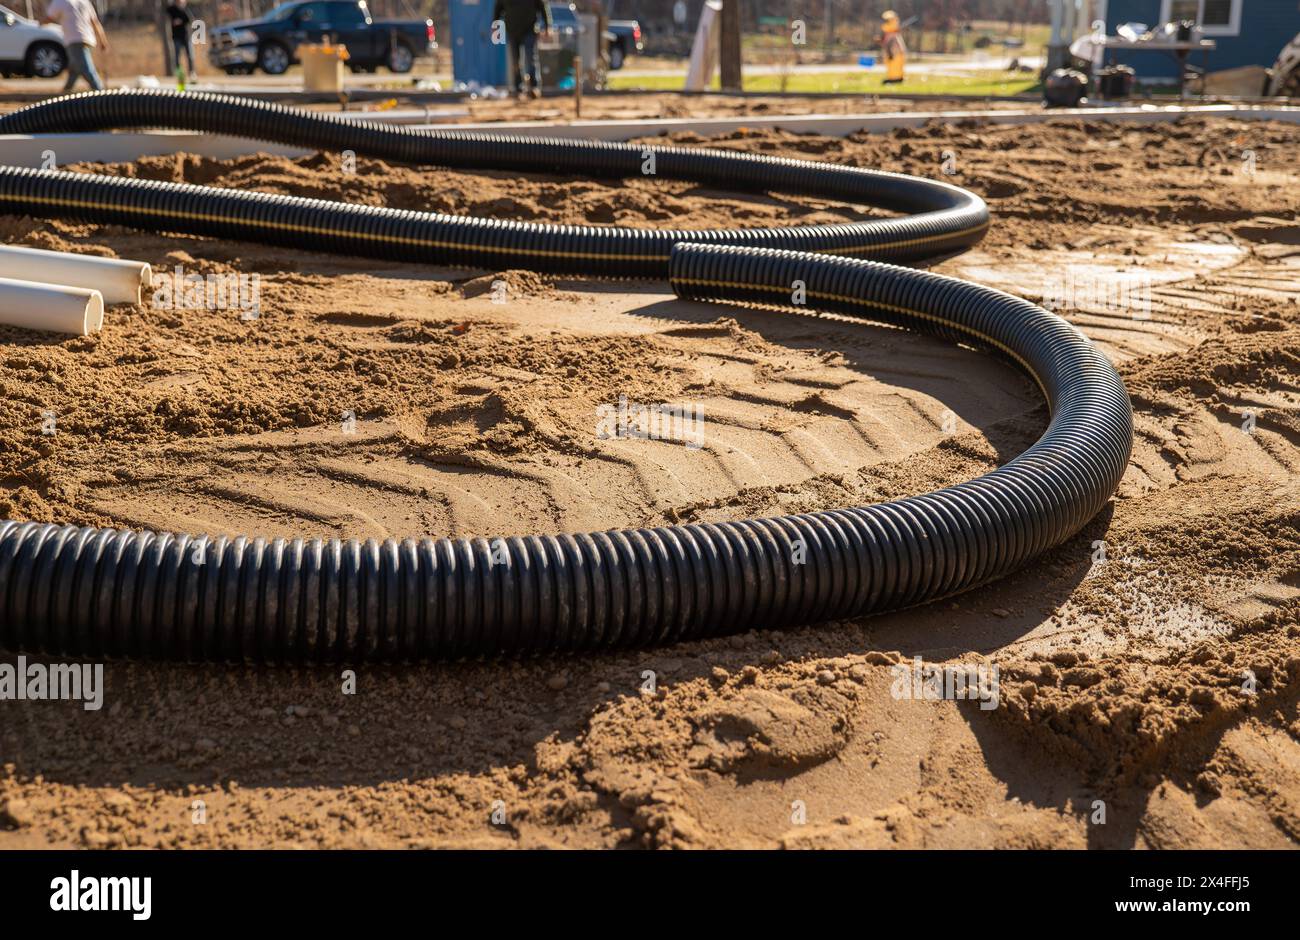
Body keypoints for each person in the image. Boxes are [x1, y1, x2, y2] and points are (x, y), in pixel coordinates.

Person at [41, 0, 109, 91]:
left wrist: (39, 23)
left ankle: (99, 91)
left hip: (74, 39)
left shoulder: (61, 2)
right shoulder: (84, 2)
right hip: (88, 39)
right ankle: (67, 90)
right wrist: (103, 40)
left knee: (85, 69)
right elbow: (95, 22)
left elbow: (49, 17)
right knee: (74, 68)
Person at [492, 0, 552, 98]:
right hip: (512, 31)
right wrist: (495, 27)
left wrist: (547, 26)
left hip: (529, 30)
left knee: (531, 59)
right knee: (516, 61)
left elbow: (542, 6)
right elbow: (498, 8)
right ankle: (518, 88)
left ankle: (534, 87)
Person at [167, 0, 196, 80]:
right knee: (177, 56)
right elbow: (167, 10)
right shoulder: (172, 9)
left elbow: (190, 19)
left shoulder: (185, 9)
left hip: (186, 37)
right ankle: (179, 74)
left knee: (190, 55)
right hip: (176, 37)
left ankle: (192, 73)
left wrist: (180, 20)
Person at [879, 10, 906, 84]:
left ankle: (895, 79)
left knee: (895, 66)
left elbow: (891, 45)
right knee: (892, 66)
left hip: (894, 54)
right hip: (894, 54)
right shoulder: (891, 33)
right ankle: (894, 78)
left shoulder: (892, 34)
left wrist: (890, 53)